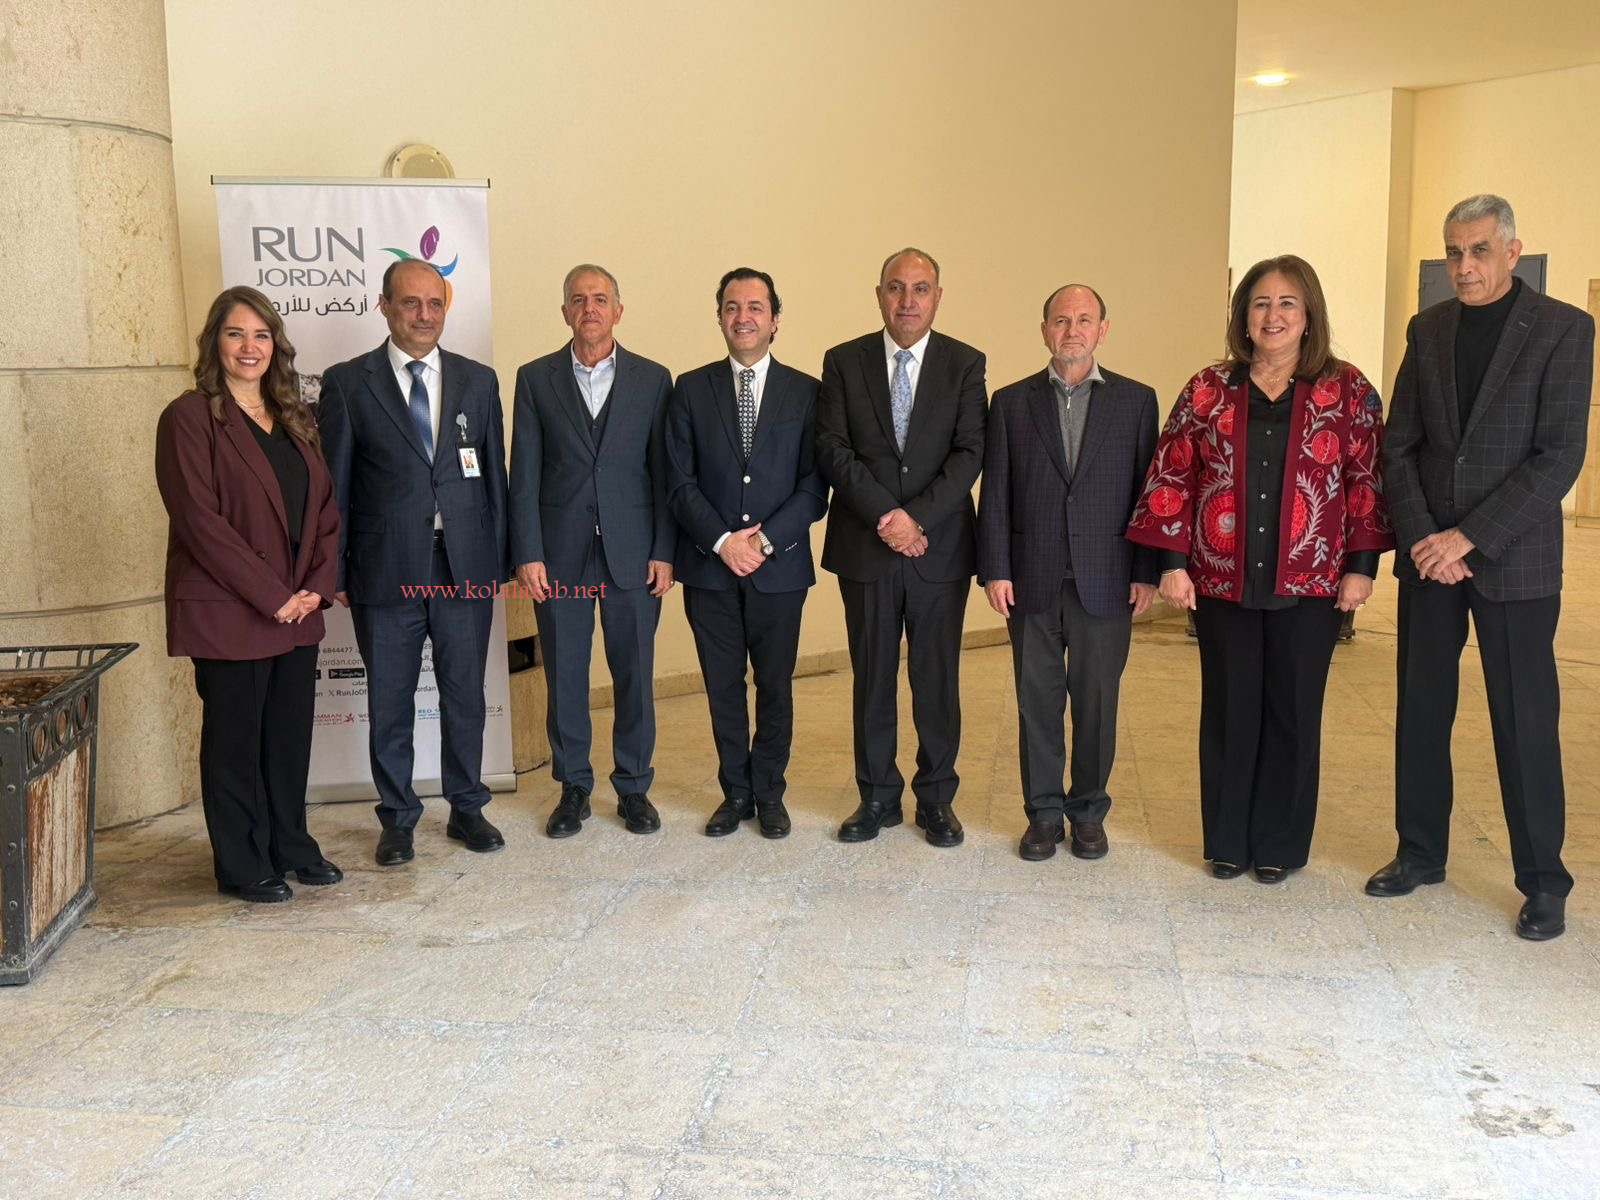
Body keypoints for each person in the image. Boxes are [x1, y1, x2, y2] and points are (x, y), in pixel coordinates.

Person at [1367, 195, 1594, 941]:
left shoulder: (1565, 328)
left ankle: (1543, 882)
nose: (1464, 267)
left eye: (1479, 251)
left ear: (1512, 252)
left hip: (1513, 560)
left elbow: (1559, 456)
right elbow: (1398, 444)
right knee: (1421, 710)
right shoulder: (1427, 329)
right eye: (1454, 252)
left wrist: (1467, 537)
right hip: (1430, 561)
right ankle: (1419, 852)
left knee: (1524, 722)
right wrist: (1425, 538)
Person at [1127, 255, 1392, 883]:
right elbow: (1173, 475)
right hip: (1221, 581)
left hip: (1314, 584)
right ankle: (1227, 840)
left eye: (1287, 303)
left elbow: (1366, 481)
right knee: (1229, 710)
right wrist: (1171, 564)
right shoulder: (1208, 388)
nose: (1273, 315)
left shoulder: (1348, 391)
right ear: (1244, 318)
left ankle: (1278, 846)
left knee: (1293, 716)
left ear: (1309, 315)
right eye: (1261, 304)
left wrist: (1361, 567)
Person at [154, 286, 343, 902]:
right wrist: (273, 595)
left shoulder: (297, 418)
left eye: (261, 335)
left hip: (298, 611)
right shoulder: (189, 417)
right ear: (215, 342)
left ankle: (291, 845)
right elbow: (198, 520)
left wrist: (315, 588)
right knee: (235, 744)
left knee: (288, 739)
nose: (249, 347)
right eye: (235, 333)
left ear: (275, 346)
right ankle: (240, 862)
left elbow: (325, 511)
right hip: (231, 610)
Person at [319, 260, 510, 866]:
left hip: (464, 566)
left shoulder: (478, 380)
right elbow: (334, 488)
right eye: (410, 303)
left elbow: (495, 480)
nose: (424, 315)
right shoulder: (348, 383)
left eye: (434, 303)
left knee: (465, 695)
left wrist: (501, 561)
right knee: (391, 699)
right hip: (384, 570)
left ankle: (467, 807)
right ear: (384, 306)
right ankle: (398, 818)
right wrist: (335, 571)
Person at [978, 285, 1159, 862]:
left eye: (1084, 320)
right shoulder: (1010, 402)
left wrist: (1147, 571)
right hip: (1031, 579)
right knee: (1037, 702)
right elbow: (996, 492)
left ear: (1103, 329)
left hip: (1107, 580)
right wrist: (995, 569)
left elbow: (1150, 494)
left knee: (1097, 704)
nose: (1072, 330)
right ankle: (1042, 815)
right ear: (1044, 330)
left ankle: (1087, 813)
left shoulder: (1136, 401)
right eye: (1061, 320)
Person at [815, 248, 987, 847]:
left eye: (920, 288)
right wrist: (887, 516)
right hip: (866, 547)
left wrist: (916, 519)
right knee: (872, 677)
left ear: (937, 297)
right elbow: (833, 447)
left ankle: (936, 800)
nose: (907, 300)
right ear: (879, 294)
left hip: (938, 550)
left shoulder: (965, 363)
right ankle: (877, 797)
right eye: (896, 287)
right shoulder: (843, 361)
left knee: (936, 680)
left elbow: (970, 452)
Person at [509, 264, 675, 838]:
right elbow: (523, 474)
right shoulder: (535, 379)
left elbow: (665, 475)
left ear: (618, 311)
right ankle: (574, 786)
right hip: (560, 557)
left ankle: (633, 786)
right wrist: (528, 552)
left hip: (635, 554)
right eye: (578, 300)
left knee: (635, 676)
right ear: (564, 313)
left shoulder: (654, 379)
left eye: (600, 298)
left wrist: (665, 549)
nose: (590, 308)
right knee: (566, 677)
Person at [665, 268, 829, 839]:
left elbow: (815, 486)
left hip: (779, 570)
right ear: (719, 318)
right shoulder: (690, 388)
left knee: (776, 687)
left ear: (775, 319)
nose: (744, 317)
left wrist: (761, 541)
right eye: (732, 307)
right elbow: (679, 481)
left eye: (756, 307)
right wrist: (722, 542)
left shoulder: (807, 391)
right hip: (709, 570)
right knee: (722, 687)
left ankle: (770, 792)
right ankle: (736, 793)